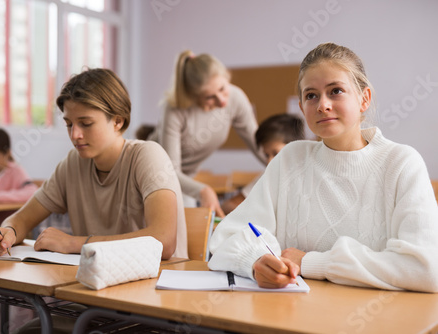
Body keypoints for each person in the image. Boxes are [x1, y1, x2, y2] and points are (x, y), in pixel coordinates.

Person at [208, 43, 438, 292]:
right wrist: (254, 262)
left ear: (364, 99)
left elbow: (425, 269)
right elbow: (225, 237)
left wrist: (311, 262)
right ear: (301, 108)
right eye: (311, 95)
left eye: (336, 91)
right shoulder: (290, 159)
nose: (322, 105)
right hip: (287, 317)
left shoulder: (401, 163)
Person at [0, 68, 188, 261]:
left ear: (118, 121)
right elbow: (22, 219)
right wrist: (6, 233)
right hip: (99, 287)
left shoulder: (148, 156)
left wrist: (74, 243)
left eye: (86, 124)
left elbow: (163, 241)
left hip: (159, 288)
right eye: (69, 124)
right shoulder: (73, 164)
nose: (75, 135)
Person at [149, 50, 267, 218]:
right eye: (210, 97)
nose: (222, 100)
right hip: (156, 176)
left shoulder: (236, 98)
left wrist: (283, 164)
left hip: (186, 181)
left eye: (222, 88)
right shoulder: (175, 109)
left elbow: (261, 148)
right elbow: (170, 171)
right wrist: (203, 190)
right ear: (193, 97)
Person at [221, 114, 305, 214]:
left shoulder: (310, 178)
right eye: (266, 155)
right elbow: (228, 205)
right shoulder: (268, 176)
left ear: (295, 148)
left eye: (276, 153)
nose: (269, 162)